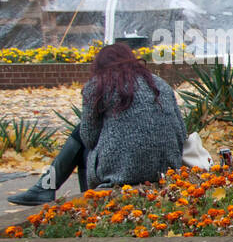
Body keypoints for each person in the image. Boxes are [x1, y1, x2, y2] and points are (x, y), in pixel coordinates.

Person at [8, 42, 185, 206]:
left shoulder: (100, 84)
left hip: (121, 173)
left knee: (79, 137)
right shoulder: (160, 83)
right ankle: (44, 188)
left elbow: (89, 138)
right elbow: (181, 132)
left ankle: (58, 192)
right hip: (166, 169)